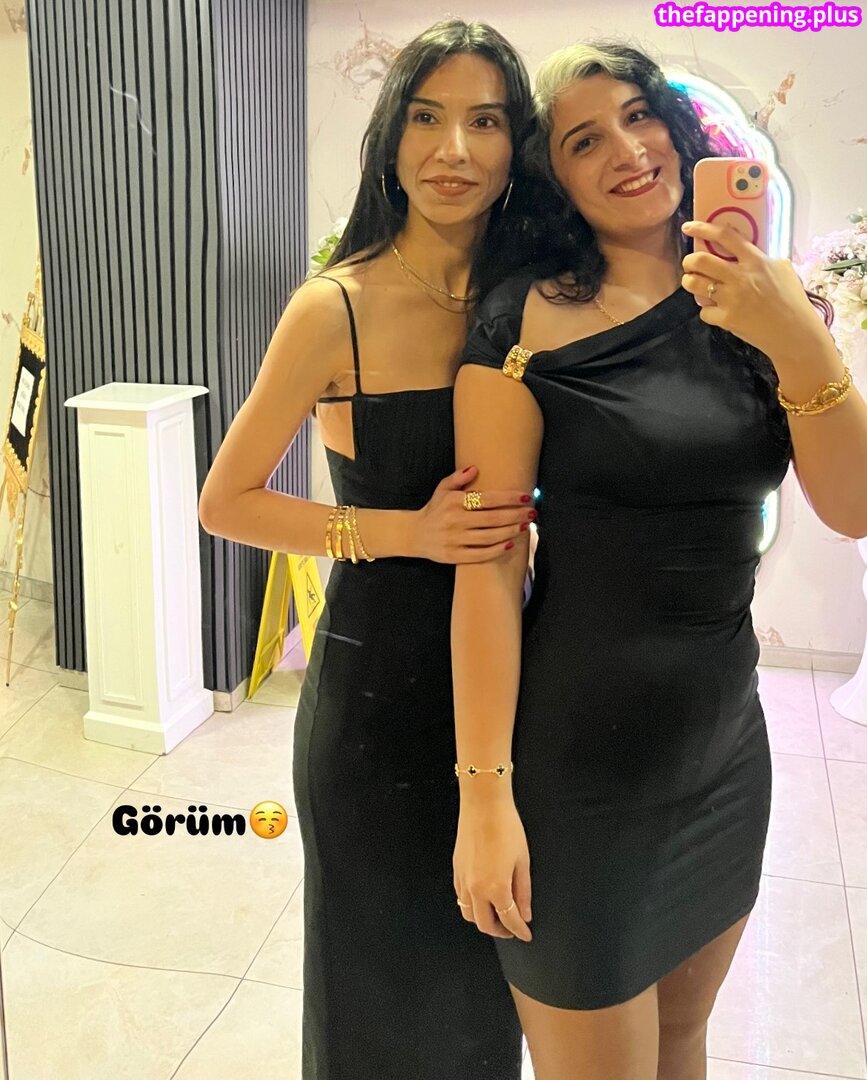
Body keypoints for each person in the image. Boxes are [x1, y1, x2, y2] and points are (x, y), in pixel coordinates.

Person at [450, 40, 867, 1080]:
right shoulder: (518, 323)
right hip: (575, 772)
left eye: (641, 116)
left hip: (723, 752)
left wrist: (795, 336)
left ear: (678, 130)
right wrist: (485, 796)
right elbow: (489, 570)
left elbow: (853, 507)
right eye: (585, 140)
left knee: (683, 1045)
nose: (629, 150)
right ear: (553, 176)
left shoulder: (758, 298)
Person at [199, 19, 539, 1080]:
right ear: (391, 138)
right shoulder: (334, 306)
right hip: (377, 702)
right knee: (375, 1001)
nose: (454, 150)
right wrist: (405, 532)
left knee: (487, 995)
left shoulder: (537, 298)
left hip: (519, 691)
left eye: (485, 121)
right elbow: (226, 501)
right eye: (427, 118)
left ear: (517, 145)